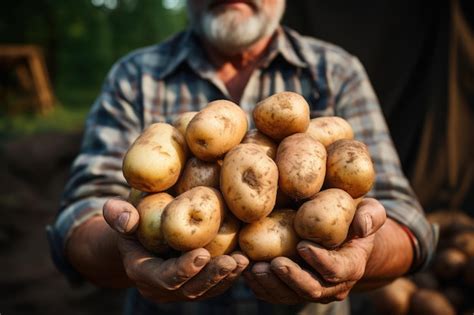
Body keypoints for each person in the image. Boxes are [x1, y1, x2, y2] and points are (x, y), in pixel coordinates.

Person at [47, 0, 437, 314]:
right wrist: (123, 247)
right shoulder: (135, 76)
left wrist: (364, 251)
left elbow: (405, 220)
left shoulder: (337, 71)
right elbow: (77, 220)